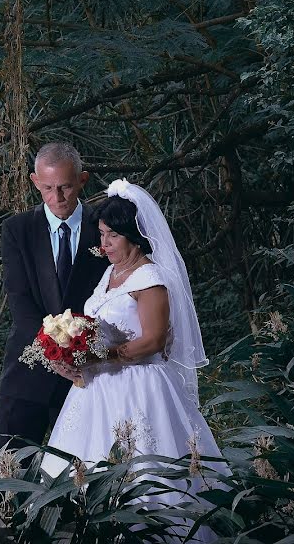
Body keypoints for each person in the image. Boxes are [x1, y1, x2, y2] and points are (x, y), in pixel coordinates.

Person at [40, 179, 226, 541]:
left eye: (111, 236)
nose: (103, 243)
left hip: (139, 385)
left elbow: (154, 340)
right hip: (97, 388)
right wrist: (70, 352)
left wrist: (100, 355)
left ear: (134, 236)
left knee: (145, 471)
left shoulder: (150, 278)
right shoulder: (111, 273)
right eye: (101, 234)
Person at [0, 143, 109, 452]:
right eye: (47, 188)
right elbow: (20, 299)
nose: (57, 197)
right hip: (26, 373)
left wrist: (78, 356)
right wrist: (54, 353)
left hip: (86, 377)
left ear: (83, 180)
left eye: (66, 187)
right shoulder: (17, 230)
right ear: (34, 182)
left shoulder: (104, 228)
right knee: (11, 475)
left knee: (80, 479)